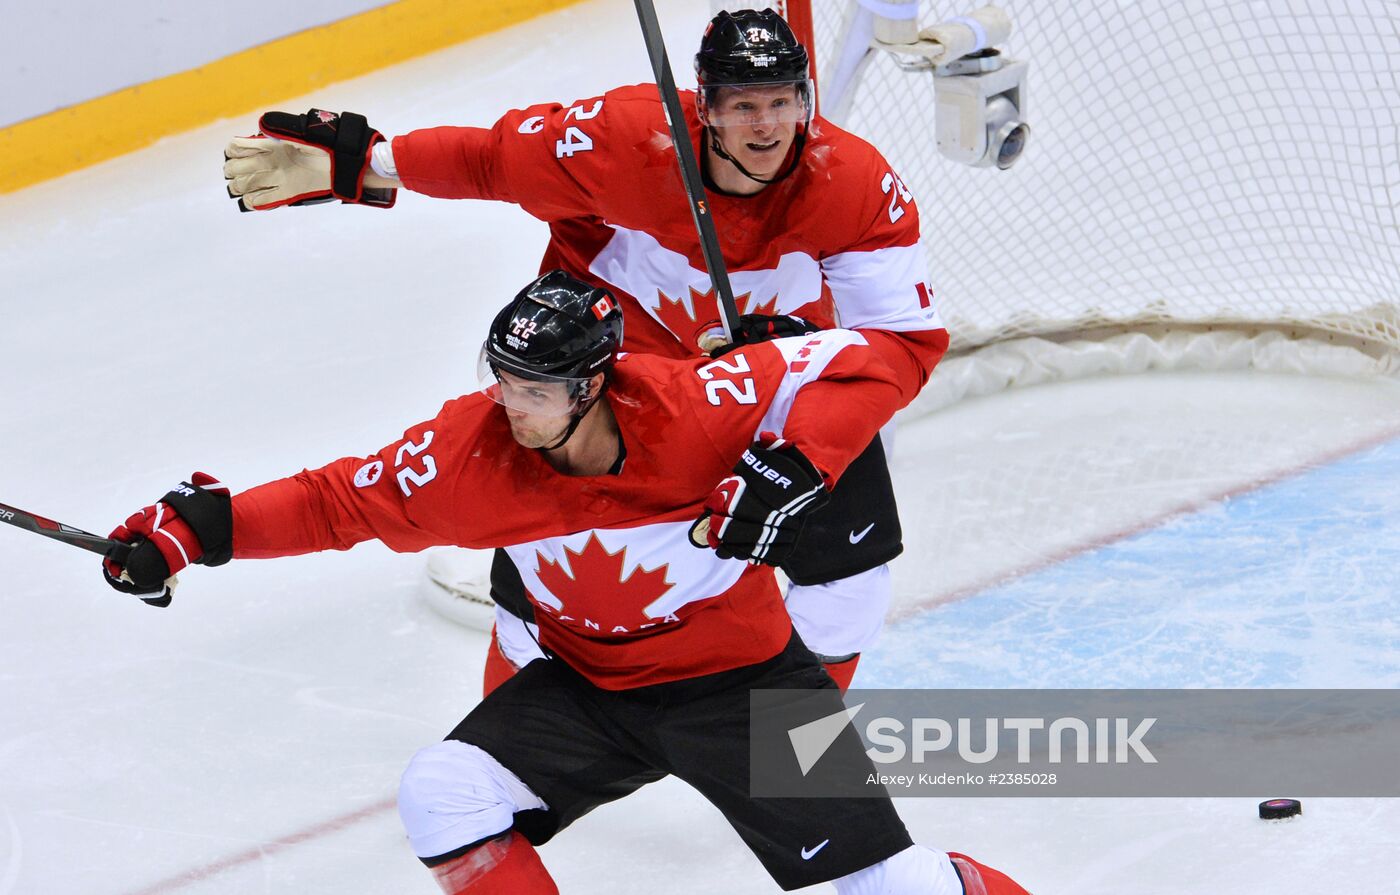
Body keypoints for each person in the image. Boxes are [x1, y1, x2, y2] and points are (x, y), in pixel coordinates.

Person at [101, 272, 1025, 894]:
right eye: (502, 380)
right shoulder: (471, 454)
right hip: (587, 690)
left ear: (593, 385)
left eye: (534, 390)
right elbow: (339, 501)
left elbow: (892, 354)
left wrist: (804, 458)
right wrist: (195, 532)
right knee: (444, 790)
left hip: (748, 688)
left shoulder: (700, 404)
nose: (510, 405)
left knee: (882, 887)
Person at [222, 8, 947, 693]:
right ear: (703, 107)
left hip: (768, 399)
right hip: (605, 407)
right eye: (740, 105)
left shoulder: (855, 184)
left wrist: (807, 453)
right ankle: (503, 776)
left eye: (781, 102)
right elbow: (489, 161)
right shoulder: (621, 140)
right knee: (539, 606)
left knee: (851, 587)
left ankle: (791, 775)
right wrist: (370, 165)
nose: (765, 127)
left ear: (806, 100)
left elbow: (902, 346)